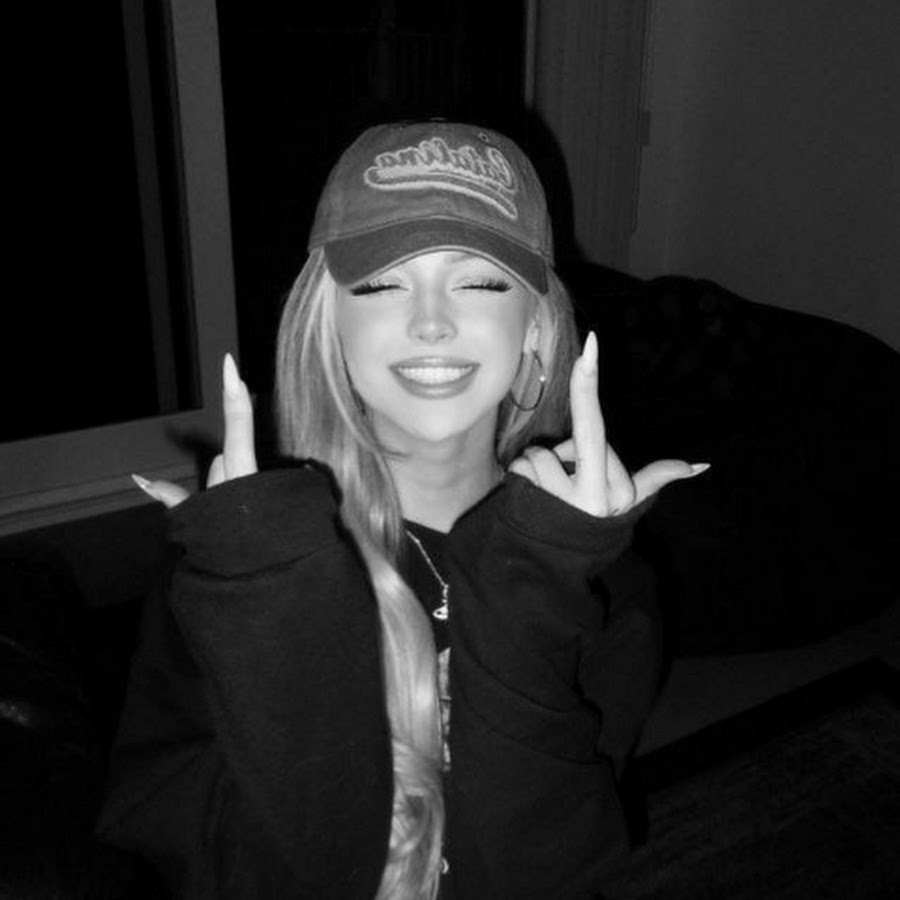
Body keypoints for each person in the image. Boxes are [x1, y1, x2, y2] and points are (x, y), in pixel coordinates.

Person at [98, 120, 706, 899]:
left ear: (537, 330)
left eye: (479, 282)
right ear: (329, 326)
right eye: (383, 283)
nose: (430, 322)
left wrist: (537, 584)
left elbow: (544, 872)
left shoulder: (602, 583)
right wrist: (265, 605)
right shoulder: (239, 570)